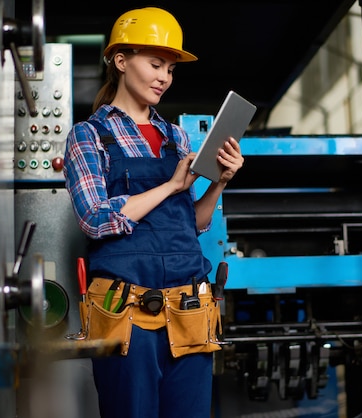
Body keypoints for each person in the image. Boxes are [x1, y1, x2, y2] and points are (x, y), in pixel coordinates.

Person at [63, 6, 244, 418]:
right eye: (156, 63)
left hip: (190, 310)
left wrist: (219, 181)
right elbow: (94, 219)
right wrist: (169, 186)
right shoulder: (88, 135)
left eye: (171, 69)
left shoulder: (176, 137)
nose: (164, 76)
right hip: (126, 313)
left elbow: (193, 222)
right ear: (122, 61)